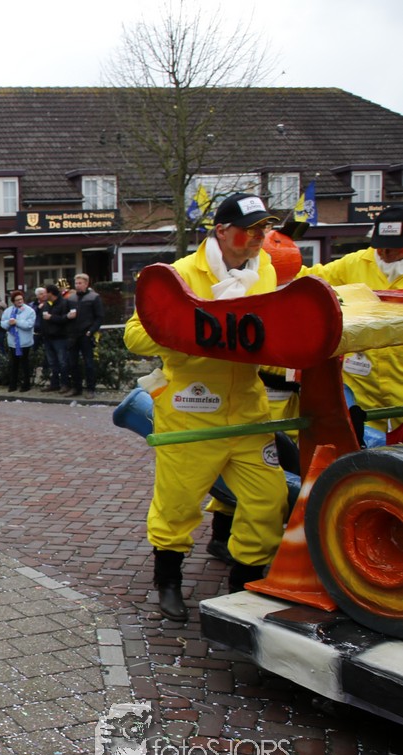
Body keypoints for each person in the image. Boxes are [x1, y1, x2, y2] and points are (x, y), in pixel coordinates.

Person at [124, 193, 288, 623]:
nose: (259, 237)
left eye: (264, 228)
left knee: (268, 500)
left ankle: (242, 585)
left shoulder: (266, 270)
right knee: (178, 504)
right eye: (250, 229)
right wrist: (188, 330)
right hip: (190, 410)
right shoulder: (178, 275)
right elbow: (134, 335)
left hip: (248, 411)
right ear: (222, 231)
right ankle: (168, 581)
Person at [299, 205, 403, 432]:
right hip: (361, 377)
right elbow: (312, 278)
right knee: (361, 438)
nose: (386, 253)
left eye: (394, 247)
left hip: (400, 376)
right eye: (381, 246)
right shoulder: (355, 262)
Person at [67, 273, 104, 398]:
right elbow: (65, 315)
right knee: (73, 363)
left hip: (86, 334)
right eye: (76, 283)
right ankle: (76, 388)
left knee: (88, 363)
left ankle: (90, 389)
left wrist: (91, 331)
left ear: (86, 284)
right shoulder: (71, 298)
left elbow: (99, 317)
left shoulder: (94, 297)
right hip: (73, 334)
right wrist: (68, 317)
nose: (77, 285)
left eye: (80, 283)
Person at [37, 282, 71, 392]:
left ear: (51, 293)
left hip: (59, 337)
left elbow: (66, 319)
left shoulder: (63, 303)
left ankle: (65, 384)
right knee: (52, 362)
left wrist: (51, 317)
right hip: (48, 337)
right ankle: (54, 383)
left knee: (62, 362)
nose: (43, 295)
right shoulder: (47, 304)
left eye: (45, 292)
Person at [0, 289, 36, 392]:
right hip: (13, 342)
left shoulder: (30, 311)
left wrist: (17, 322)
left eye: (21, 299)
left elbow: (29, 325)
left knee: (25, 364)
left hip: (25, 342)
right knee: (13, 364)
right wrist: (9, 322)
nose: (20, 301)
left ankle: (26, 385)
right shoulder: (8, 311)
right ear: (13, 301)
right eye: (17, 300)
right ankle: (13, 385)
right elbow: (2, 323)